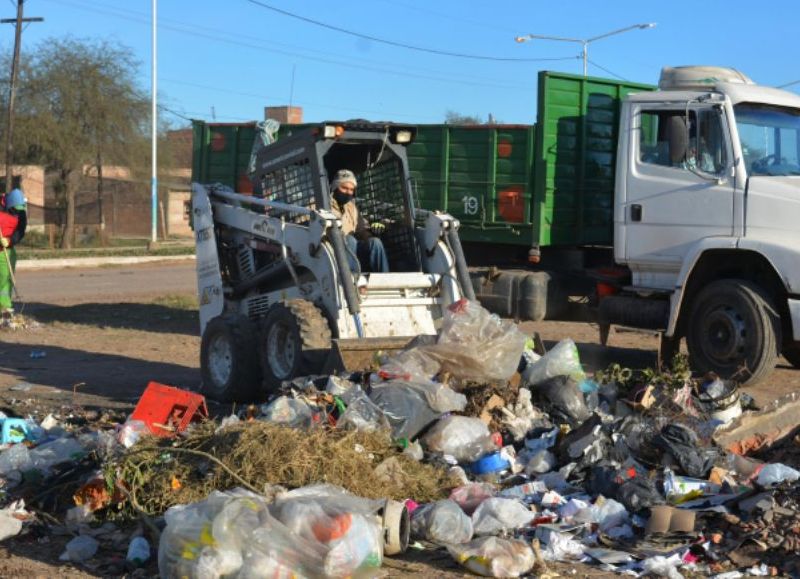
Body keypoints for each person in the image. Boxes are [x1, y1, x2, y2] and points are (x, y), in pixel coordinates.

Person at [329, 169, 389, 273]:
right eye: (344, 188)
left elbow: (361, 230)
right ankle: (351, 280)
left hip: (353, 252)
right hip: (331, 253)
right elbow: (305, 225)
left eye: (351, 190)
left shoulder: (351, 208)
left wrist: (372, 233)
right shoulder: (320, 203)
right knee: (349, 240)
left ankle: (385, 279)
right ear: (335, 187)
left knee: (375, 243)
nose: (348, 192)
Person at [0, 176, 27, 319]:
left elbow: (20, 231)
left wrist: (10, 240)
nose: (18, 211)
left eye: (20, 209)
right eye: (15, 209)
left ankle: (5, 306)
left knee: (7, 279)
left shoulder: (21, 213)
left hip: (8, 250)